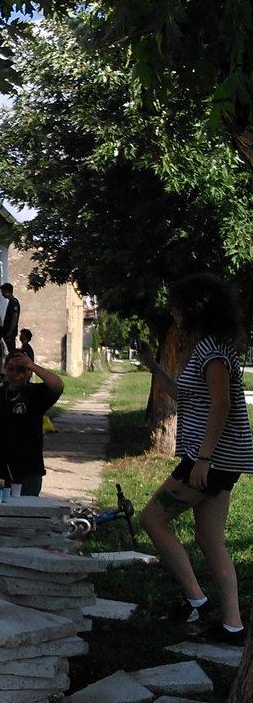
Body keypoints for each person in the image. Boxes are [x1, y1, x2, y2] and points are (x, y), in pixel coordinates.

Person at [138, 274, 253, 645]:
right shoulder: (210, 347)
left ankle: (196, 601)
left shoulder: (214, 353)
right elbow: (186, 396)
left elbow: (221, 404)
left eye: (178, 307)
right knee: (209, 538)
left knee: (152, 519)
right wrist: (153, 365)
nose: (174, 313)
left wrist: (203, 458)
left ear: (197, 307)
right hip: (220, 459)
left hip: (210, 459)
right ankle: (233, 627)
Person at [0, 351, 64, 496]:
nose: (16, 374)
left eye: (21, 370)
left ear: (29, 372)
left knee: (25, 508)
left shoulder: (35, 393)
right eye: (11, 369)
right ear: (5, 370)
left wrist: (31, 365)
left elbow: (58, 385)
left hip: (28, 469)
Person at [0, 282, 21, 354]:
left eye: (3, 292)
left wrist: (10, 332)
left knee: (12, 351)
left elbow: (14, 318)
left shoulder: (13, 302)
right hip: (7, 331)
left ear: (7, 291)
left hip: (10, 331)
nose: (2, 294)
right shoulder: (11, 302)